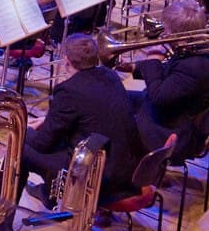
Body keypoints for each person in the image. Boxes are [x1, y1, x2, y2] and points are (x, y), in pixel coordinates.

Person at [21, 33, 144, 205]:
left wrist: (26, 131)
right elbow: (88, 113)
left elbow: (43, 144)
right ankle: (50, 192)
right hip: (125, 168)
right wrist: (49, 120)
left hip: (97, 176)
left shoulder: (68, 90)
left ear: (66, 61)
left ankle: (1, 224)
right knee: (55, 137)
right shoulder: (111, 76)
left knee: (20, 146)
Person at [133, 1, 209, 164]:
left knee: (114, 119)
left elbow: (158, 97)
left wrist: (152, 60)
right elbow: (170, 73)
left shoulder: (194, 66)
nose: (163, 34)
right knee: (117, 94)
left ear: (178, 34)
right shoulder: (202, 47)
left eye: (166, 29)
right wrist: (135, 67)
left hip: (172, 132)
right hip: (175, 113)